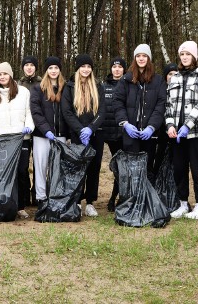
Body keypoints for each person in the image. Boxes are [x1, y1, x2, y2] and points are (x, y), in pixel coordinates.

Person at [112, 44, 167, 207]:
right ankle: (129, 200)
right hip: (131, 133)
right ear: (135, 59)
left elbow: (161, 105)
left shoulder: (158, 81)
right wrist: (125, 123)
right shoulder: (126, 80)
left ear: (149, 59)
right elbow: (117, 102)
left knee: (147, 167)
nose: (141, 58)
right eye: (138, 56)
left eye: (144, 56)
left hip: (149, 134)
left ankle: (146, 201)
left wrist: (152, 126)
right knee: (130, 169)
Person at [165, 41, 198, 220]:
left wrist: (188, 125)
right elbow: (169, 105)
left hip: (197, 132)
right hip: (177, 134)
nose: (184, 57)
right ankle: (183, 203)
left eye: (188, 54)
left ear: (194, 56)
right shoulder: (175, 77)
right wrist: (170, 125)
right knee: (179, 168)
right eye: (182, 54)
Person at [0, 62, 35, 219]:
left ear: (10, 75)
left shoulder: (23, 92)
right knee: (5, 173)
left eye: (5, 74)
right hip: (0, 140)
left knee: (21, 171)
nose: (2, 76)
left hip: (20, 139)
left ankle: (21, 205)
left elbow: (30, 111)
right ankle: (6, 204)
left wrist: (29, 127)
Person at [61, 54, 106, 217]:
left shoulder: (98, 86)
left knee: (94, 168)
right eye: (83, 67)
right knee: (79, 168)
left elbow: (102, 111)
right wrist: (80, 130)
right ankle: (78, 201)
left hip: (95, 134)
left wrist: (91, 128)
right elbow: (67, 112)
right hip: (77, 134)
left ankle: (91, 202)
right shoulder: (69, 87)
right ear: (78, 68)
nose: (86, 69)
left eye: (89, 67)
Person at [30, 56, 68, 211]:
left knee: (57, 168)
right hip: (42, 135)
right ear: (46, 70)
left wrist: (68, 135)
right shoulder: (38, 89)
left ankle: (55, 196)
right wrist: (46, 130)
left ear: (60, 70)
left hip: (61, 135)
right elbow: (36, 112)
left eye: (56, 68)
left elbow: (69, 112)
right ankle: (41, 197)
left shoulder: (66, 88)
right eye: (50, 68)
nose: (53, 71)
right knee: (41, 166)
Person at [100, 56, 127, 212]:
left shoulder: (129, 84)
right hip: (110, 135)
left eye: (120, 67)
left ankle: (120, 197)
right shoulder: (104, 87)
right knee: (116, 167)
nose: (117, 69)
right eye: (114, 67)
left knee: (124, 168)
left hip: (126, 134)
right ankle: (113, 197)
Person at [18, 55, 42, 206]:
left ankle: (37, 194)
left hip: (40, 128)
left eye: (32, 65)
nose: (29, 67)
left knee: (39, 164)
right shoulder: (18, 84)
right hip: (24, 130)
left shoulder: (41, 83)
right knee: (23, 166)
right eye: (26, 65)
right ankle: (25, 194)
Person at [153, 63, 179, 174]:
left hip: (176, 131)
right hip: (161, 132)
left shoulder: (181, 91)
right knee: (159, 158)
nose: (172, 76)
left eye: (175, 74)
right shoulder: (159, 89)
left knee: (176, 161)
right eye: (170, 74)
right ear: (165, 76)